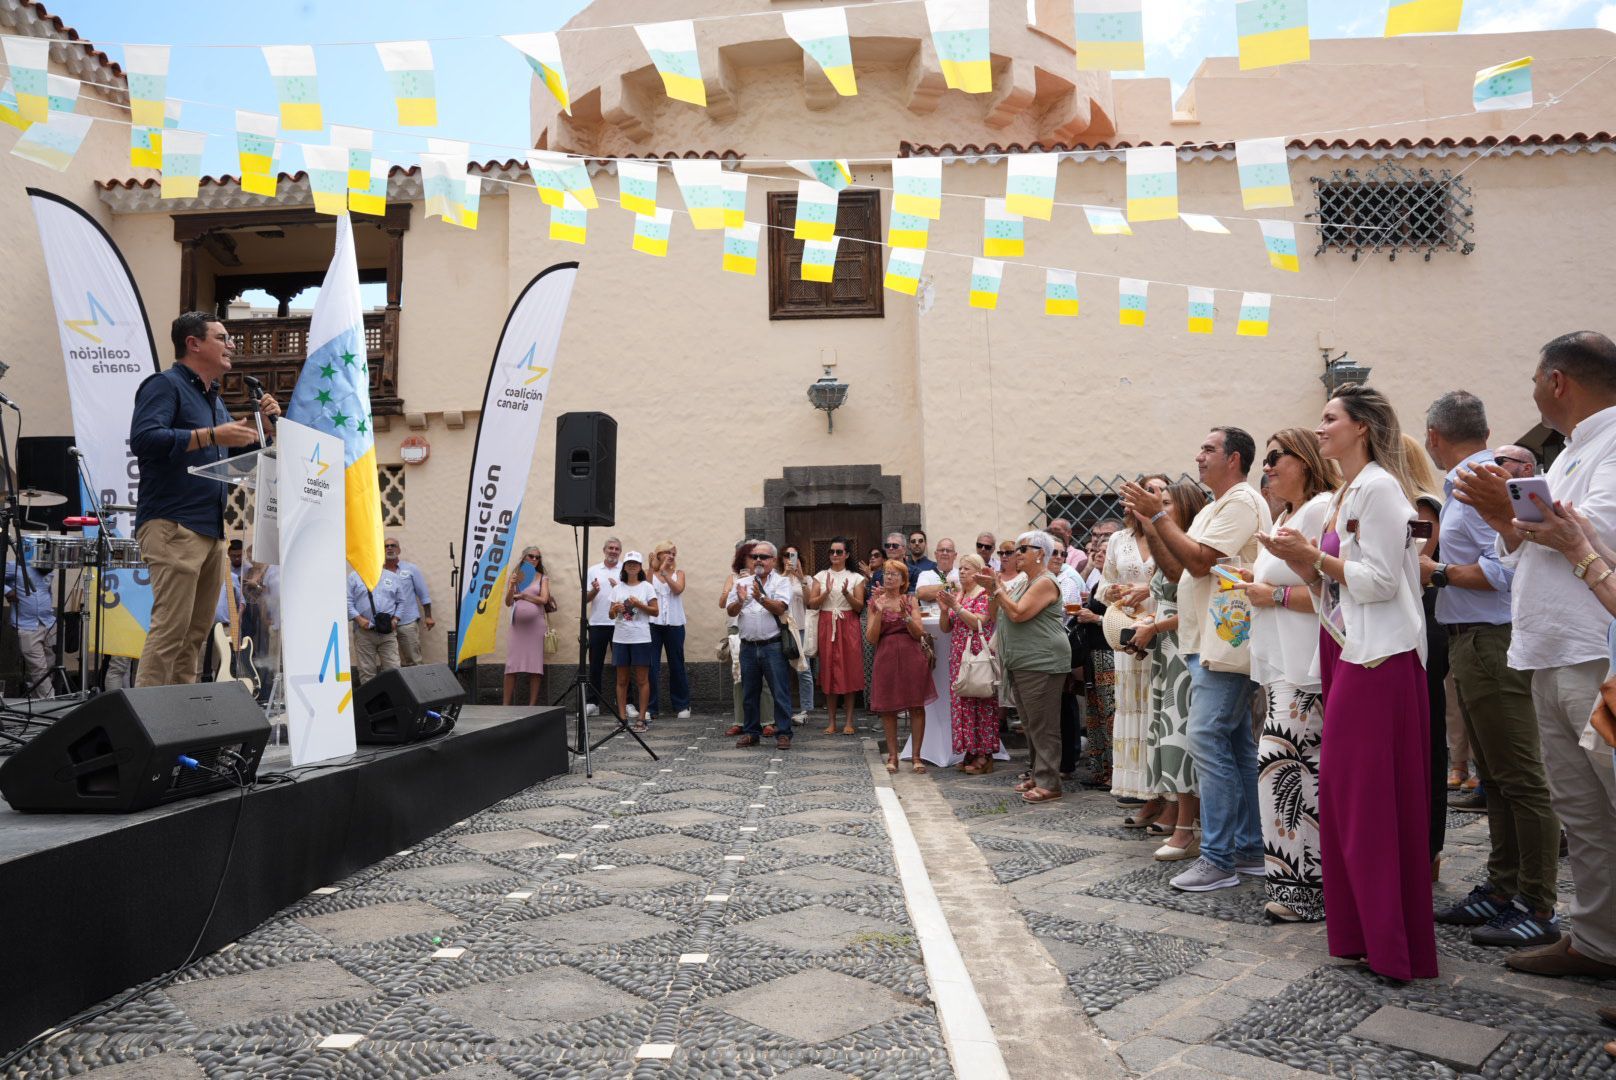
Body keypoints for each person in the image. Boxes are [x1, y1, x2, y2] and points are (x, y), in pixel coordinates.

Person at [1453, 331, 1616, 981]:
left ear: (1557, 382)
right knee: (1581, 811)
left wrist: (1511, 512)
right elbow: (1531, 546)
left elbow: (1591, 530)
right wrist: (1505, 520)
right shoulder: (1575, 450)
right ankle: (1599, 941)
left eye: (1533, 379)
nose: (1530, 390)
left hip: (1591, 650)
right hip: (1548, 647)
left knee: (1608, 801)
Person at [1263, 384, 1438, 981]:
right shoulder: (1345, 492)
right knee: (1345, 799)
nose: (1320, 428)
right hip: (1347, 650)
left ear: (1361, 427)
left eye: (1329, 418)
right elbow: (1339, 588)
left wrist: (1316, 559)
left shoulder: (1383, 489)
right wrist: (1304, 560)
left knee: (1367, 802)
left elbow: (1386, 581)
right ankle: (1363, 933)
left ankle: (1393, 943)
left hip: (1380, 659)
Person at [1424, 391, 1561, 947]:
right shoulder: (1470, 480)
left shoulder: (1477, 483)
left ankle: (1537, 901)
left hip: (1489, 638)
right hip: (1472, 640)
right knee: (1497, 778)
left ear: (1434, 435)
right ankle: (1503, 888)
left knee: (1522, 778)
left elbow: (1506, 569)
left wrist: (1436, 573)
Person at [1122, 427, 1271, 894]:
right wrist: (1151, 523)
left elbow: (1203, 562)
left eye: (1209, 449)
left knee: (1206, 738)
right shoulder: (1212, 506)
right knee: (1236, 745)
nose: (1199, 455)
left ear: (1234, 459)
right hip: (1205, 642)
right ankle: (1248, 849)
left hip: (1225, 644)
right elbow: (1176, 568)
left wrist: (1159, 517)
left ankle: (1218, 856)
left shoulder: (1243, 502)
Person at [130, 311, 280, 687]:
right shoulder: (164, 385)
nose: (232, 345)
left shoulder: (214, 401)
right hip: (173, 524)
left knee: (195, 636)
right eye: (223, 337)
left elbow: (235, 461)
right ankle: (147, 727)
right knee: (170, 632)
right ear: (193, 344)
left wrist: (267, 428)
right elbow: (145, 439)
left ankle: (181, 722)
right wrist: (211, 435)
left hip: (211, 530)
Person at [1234, 429, 1336, 920]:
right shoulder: (1285, 514)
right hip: (1280, 667)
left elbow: (1330, 593)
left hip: (1305, 667)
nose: (1267, 466)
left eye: (1276, 457)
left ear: (1306, 459)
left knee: (1288, 772)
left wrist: (1268, 595)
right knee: (1283, 773)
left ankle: (1304, 890)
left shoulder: (1320, 510)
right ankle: (1292, 887)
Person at [1134, 479, 1208, 861]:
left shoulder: (1192, 546)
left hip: (1185, 648)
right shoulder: (1170, 545)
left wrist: (1155, 627)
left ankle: (1187, 826)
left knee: (1182, 733)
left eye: (1166, 503)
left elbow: (1194, 602)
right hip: (1167, 650)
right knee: (1168, 730)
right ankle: (1178, 813)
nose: (1157, 506)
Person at [980, 531, 1068, 802]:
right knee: (1030, 723)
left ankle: (1049, 782)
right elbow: (996, 612)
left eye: (1022, 549)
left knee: (1043, 724)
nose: (1015, 554)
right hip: (1023, 661)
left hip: (1042, 660)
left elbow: (1018, 614)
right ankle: (1037, 773)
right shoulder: (1023, 581)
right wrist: (991, 589)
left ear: (1040, 553)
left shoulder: (1044, 582)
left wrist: (997, 589)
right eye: (1015, 550)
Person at [1103, 474, 1166, 812]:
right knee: (1131, 707)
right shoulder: (1118, 540)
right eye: (1147, 490)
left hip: (1161, 630)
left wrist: (1150, 591)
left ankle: (1161, 794)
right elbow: (1104, 584)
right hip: (1128, 628)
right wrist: (1111, 591)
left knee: (1157, 711)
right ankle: (1139, 790)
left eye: (1159, 491)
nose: (1152, 496)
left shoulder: (1170, 534)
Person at [867, 560, 935, 772]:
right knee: (888, 708)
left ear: (904, 580)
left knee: (916, 706)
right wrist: (878, 612)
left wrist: (906, 616)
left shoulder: (910, 600)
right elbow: (871, 637)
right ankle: (893, 757)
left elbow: (919, 633)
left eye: (895, 574)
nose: (889, 577)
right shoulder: (875, 601)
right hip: (886, 655)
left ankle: (916, 756)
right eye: (887, 573)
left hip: (911, 656)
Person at [726, 541, 795, 749]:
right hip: (747, 645)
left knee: (779, 692)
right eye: (755, 556)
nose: (758, 560)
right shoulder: (742, 582)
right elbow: (730, 611)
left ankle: (783, 733)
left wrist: (760, 598)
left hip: (772, 645)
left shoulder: (781, 582)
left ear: (773, 561)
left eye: (763, 557)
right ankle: (751, 732)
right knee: (749, 692)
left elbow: (781, 607)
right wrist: (740, 601)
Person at [939, 552, 1000, 772]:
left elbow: (979, 623)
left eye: (967, 568)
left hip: (976, 654)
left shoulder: (984, 595)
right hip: (958, 654)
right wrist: (945, 611)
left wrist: (955, 606)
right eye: (961, 568)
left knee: (980, 701)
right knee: (963, 704)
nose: (962, 572)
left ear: (978, 572)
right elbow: (946, 628)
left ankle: (984, 754)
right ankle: (970, 750)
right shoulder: (959, 594)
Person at [909, 538, 963, 767]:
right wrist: (950, 589)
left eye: (948, 550)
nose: (943, 553)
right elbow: (921, 592)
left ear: (955, 554)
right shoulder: (927, 573)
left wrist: (945, 591)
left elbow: (965, 591)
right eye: (940, 550)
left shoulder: (963, 573)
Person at [1074, 520, 1121, 786]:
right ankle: (1100, 769)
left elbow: (1123, 619)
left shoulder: (1115, 585)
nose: (1099, 556)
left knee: (1110, 712)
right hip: (1094, 653)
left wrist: (1094, 618)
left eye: (1104, 553)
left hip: (1109, 652)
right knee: (1095, 712)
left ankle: (1115, 772)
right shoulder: (1098, 583)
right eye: (1096, 552)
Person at [808, 536, 865, 734]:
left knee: (849, 671)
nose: (834, 555)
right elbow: (812, 603)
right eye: (832, 552)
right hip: (827, 623)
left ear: (846, 555)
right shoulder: (820, 576)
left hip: (848, 624)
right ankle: (831, 721)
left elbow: (859, 607)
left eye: (839, 552)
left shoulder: (856, 578)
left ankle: (849, 720)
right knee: (828, 671)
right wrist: (826, 593)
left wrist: (846, 594)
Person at [609, 552, 658, 729]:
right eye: (628, 563)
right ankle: (622, 718)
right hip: (621, 638)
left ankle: (642, 718)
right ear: (624, 567)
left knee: (642, 680)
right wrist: (615, 609)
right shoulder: (617, 588)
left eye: (635, 563)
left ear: (640, 567)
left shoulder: (647, 587)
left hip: (641, 638)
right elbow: (610, 614)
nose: (631, 566)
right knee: (621, 680)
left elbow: (655, 611)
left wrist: (638, 605)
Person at [647, 540, 690, 721]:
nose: (671, 556)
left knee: (677, 664)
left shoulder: (678, 573)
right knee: (651, 666)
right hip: (652, 624)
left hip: (674, 624)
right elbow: (646, 588)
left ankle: (681, 704)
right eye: (668, 552)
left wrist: (665, 573)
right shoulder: (650, 572)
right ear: (658, 554)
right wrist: (654, 569)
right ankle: (650, 707)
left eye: (673, 553)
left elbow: (678, 589)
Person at [5, 548, 55, 698]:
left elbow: (47, 591)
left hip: (48, 623)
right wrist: (7, 590)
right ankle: (52, 703)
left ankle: (35, 698)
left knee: (50, 665)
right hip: (27, 625)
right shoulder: (15, 567)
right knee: (39, 668)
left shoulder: (48, 571)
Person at [503, 545, 549, 706]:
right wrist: (511, 587)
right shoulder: (516, 576)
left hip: (536, 626)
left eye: (538, 557)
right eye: (531, 556)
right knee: (511, 666)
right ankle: (505, 705)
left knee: (535, 666)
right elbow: (508, 602)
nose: (534, 560)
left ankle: (532, 706)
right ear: (524, 557)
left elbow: (544, 600)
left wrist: (523, 596)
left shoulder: (542, 578)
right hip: (517, 627)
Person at [347, 564, 407, 686]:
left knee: (393, 669)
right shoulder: (354, 576)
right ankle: (371, 703)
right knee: (367, 671)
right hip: (364, 632)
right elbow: (347, 601)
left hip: (388, 632)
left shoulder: (393, 577)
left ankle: (393, 702)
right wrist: (358, 619)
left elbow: (401, 601)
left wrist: (395, 619)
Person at [583, 537, 623, 717]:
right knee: (595, 666)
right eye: (610, 548)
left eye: (616, 549)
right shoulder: (593, 570)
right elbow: (585, 599)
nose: (613, 551)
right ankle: (593, 702)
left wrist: (618, 588)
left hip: (620, 624)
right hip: (598, 623)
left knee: (623, 665)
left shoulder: (625, 569)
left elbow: (630, 597)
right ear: (604, 550)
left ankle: (627, 702)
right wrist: (595, 590)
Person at [781, 544, 816, 722]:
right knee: (779, 670)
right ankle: (782, 708)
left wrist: (800, 577)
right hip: (782, 628)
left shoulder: (807, 579)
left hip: (801, 627)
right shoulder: (777, 578)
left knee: (804, 669)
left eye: (793, 555)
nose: (790, 559)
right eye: (787, 555)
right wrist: (786, 575)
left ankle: (805, 710)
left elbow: (810, 601)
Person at [386, 539, 434, 667]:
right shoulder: (378, 572)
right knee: (390, 663)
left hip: (407, 622)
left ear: (399, 550)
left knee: (414, 660)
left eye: (393, 545)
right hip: (385, 625)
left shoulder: (411, 569)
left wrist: (428, 616)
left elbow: (423, 594)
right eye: (386, 546)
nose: (389, 548)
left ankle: (419, 687)